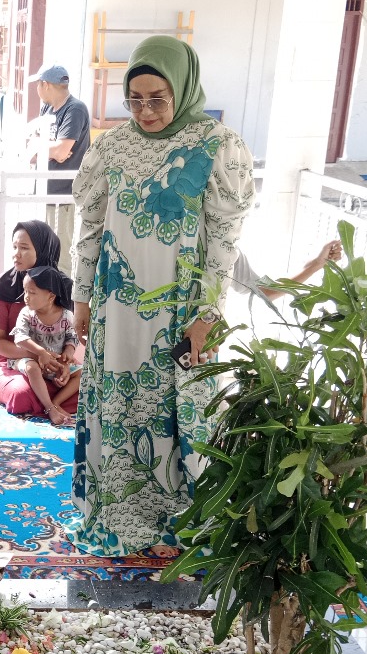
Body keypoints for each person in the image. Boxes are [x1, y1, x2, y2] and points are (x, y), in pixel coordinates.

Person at [68, 35, 255, 559]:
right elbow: (92, 225)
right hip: (117, 305)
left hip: (181, 310)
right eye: (135, 100)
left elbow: (223, 241)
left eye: (158, 99)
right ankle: (118, 517)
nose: (145, 112)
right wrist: (82, 296)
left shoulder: (218, 145)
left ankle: (178, 525)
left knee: (179, 410)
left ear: (184, 88)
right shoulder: (111, 145)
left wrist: (207, 314)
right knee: (118, 406)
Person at [0, 220, 79, 419]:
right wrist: (39, 355)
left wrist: (64, 362)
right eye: (15, 247)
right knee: (20, 394)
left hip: (54, 362)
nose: (16, 254)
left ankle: (52, 402)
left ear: (43, 250)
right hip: (10, 361)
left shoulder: (63, 286)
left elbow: (69, 334)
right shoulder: (1, 287)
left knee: (91, 387)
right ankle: (49, 404)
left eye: (24, 248)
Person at [29, 65, 89, 269]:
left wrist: (45, 150)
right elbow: (34, 144)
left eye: (38, 84)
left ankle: (62, 296)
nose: (37, 89)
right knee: (44, 246)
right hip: (46, 188)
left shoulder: (75, 109)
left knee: (62, 249)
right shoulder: (47, 108)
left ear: (45, 85)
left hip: (65, 191)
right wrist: (46, 149)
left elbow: (62, 151)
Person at [9, 266, 80, 427]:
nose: (26, 297)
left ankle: (56, 402)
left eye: (32, 293)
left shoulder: (66, 315)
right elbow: (19, 338)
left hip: (55, 363)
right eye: (25, 291)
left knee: (83, 373)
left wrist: (68, 353)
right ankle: (49, 408)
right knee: (32, 368)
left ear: (51, 296)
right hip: (29, 359)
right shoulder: (27, 314)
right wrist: (40, 352)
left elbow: (72, 337)